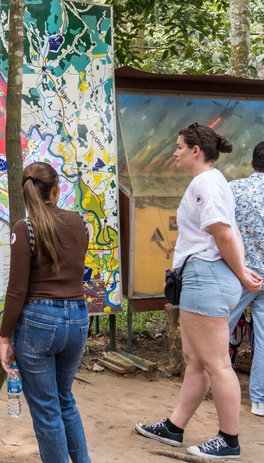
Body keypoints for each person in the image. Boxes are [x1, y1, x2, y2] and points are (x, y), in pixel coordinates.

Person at [136, 123, 262, 460]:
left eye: (179, 146)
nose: (174, 152)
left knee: (218, 363)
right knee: (196, 360)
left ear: (196, 150)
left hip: (206, 277)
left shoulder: (205, 182)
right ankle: (174, 427)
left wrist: (241, 273)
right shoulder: (212, 180)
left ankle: (228, 440)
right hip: (201, 276)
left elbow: (222, 232)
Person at [0, 161, 92, 463]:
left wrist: (4, 338)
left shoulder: (24, 229)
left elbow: (17, 291)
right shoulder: (78, 222)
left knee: (47, 410)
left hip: (39, 323)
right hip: (77, 318)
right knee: (65, 401)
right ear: (56, 189)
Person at [228, 141, 264, 417]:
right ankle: (259, 400)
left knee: (216, 328)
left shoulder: (234, 189)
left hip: (238, 274)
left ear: (252, 163)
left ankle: (206, 383)